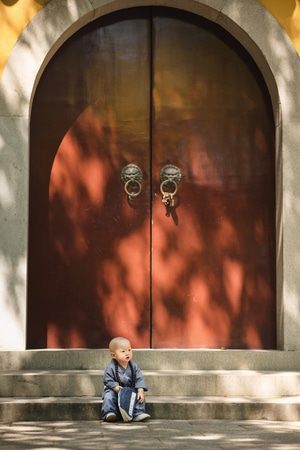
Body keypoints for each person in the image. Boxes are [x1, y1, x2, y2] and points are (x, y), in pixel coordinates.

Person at [101, 336, 150, 422]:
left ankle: (138, 413)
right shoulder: (111, 368)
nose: (127, 353)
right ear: (113, 355)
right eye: (123, 351)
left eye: (129, 350)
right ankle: (110, 413)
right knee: (109, 396)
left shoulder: (134, 367)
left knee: (140, 396)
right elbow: (107, 380)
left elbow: (139, 378)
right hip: (116, 391)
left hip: (130, 391)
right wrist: (115, 387)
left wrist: (140, 390)